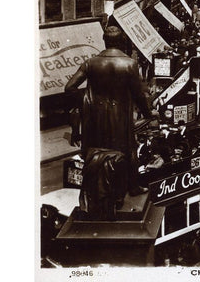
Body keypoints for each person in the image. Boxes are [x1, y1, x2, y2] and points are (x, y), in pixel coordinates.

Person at [65, 26, 158, 197]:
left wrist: (89, 100)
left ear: (105, 40)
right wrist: (147, 114)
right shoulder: (130, 64)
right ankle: (133, 187)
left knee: (97, 153)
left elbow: (69, 88)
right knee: (128, 150)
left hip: (96, 119)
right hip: (120, 118)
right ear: (121, 41)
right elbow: (138, 95)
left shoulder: (91, 63)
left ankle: (97, 192)